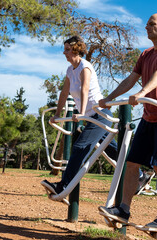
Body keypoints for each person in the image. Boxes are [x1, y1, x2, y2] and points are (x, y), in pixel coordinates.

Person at [98, 13, 157, 231]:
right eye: (146, 24)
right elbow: (130, 79)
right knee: (132, 163)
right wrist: (109, 99)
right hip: (148, 116)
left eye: (151, 24)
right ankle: (123, 209)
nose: (146, 27)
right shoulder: (145, 54)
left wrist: (143, 91)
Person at [41, 35, 118, 195]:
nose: (64, 53)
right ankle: (140, 175)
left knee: (80, 147)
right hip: (90, 117)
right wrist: (56, 115)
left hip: (99, 114)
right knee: (111, 149)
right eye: (64, 50)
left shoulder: (85, 66)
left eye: (68, 50)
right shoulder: (70, 70)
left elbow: (84, 88)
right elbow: (64, 93)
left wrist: (81, 114)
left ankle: (63, 186)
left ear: (76, 50)